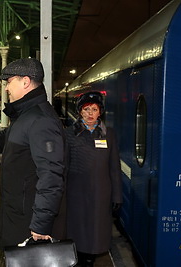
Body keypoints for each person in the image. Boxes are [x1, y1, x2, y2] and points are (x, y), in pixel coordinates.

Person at [0, 58, 66, 249]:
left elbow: (51, 175)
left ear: (25, 82)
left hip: (28, 222)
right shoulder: (26, 116)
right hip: (19, 214)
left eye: (9, 82)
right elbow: (3, 139)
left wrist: (41, 224)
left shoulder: (40, 120)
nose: (6, 88)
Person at [65, 91, 122, 267]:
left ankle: (88, 261)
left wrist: (117, 196)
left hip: (100, 196)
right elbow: (63, 166)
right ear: (80, 112)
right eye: (86, 109)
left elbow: (114, 168)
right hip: (76, 195)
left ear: (100, 112)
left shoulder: (109, 134)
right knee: (77, 236)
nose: (90, 113)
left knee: (95, 237)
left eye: (94, 109)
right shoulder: (69, 134)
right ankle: (80, 261)